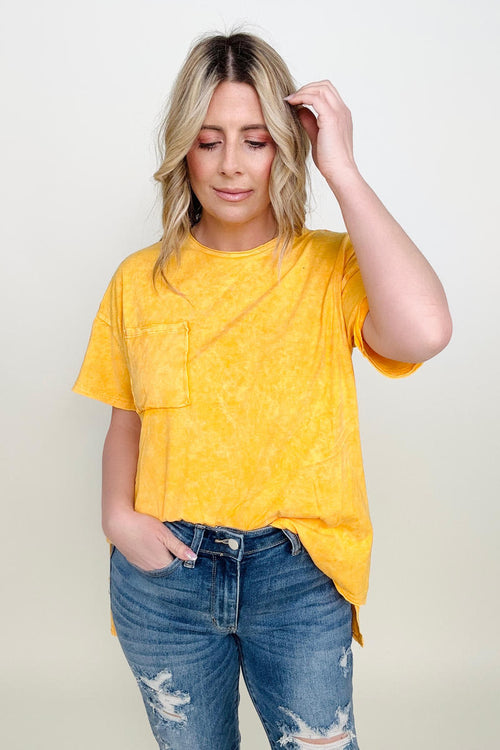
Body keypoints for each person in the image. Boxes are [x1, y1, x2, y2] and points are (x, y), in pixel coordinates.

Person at [72, 30, 452, 750]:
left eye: (256, 140)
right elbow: (127, 421)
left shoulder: (332, 266)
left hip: (297, 578)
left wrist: (341, 168)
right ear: (183, 150)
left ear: (287, 146)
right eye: (208, 141)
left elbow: (426, 331)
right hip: (166, 580)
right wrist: (117, 518)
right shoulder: (139, 280)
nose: (231, 165)